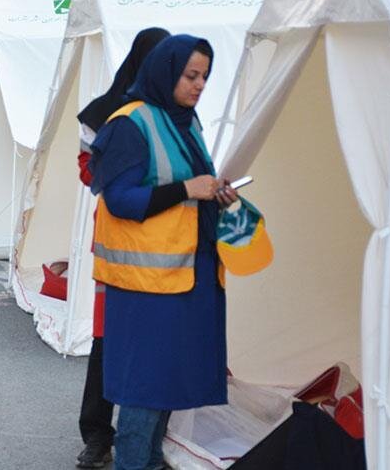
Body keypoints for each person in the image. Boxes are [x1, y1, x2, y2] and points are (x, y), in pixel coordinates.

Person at [89, 34, 238, 470]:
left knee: (168, 386)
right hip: (146, 287)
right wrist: (187, 190)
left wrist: (213, 192)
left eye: (205, 77)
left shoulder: (186, 122)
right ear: (165, 71)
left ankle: (150, 462)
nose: (199, 85)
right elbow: (120, 199)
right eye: (191, 75)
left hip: (188, 275)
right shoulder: (130, 123)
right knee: (144, 391)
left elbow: (190, 185)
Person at [71, 28, 170, 469]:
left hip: (170, 244)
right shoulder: (103, 114)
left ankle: (150, 440)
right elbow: (86, 169)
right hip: (120, 243)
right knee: (109, 342)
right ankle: (97, 434)